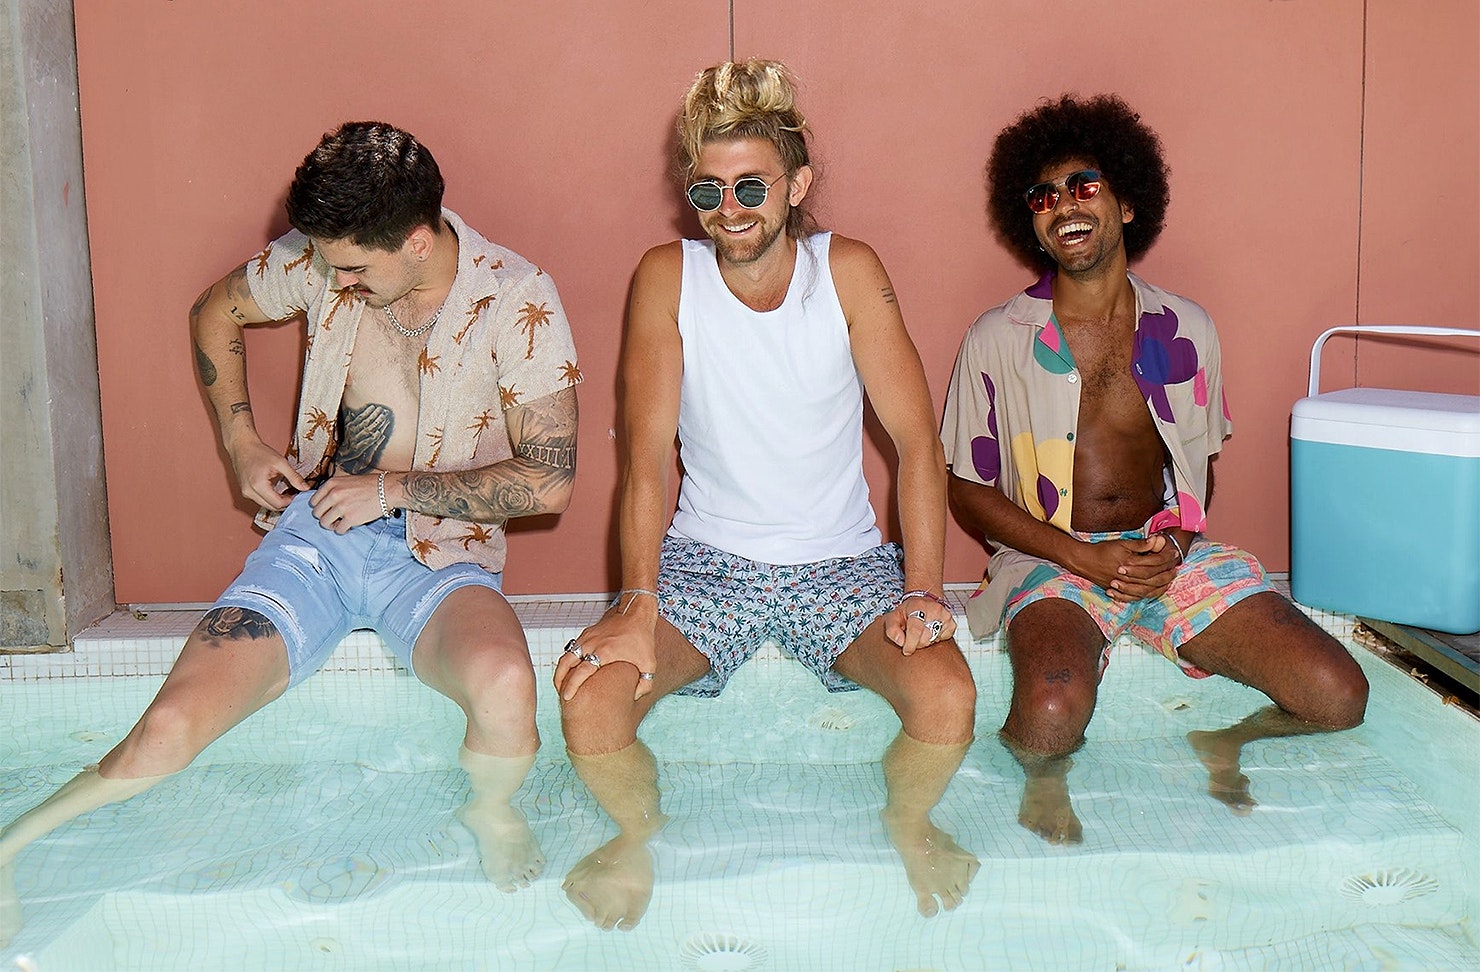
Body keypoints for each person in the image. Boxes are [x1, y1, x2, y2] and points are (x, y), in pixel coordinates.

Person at [0, 122, 580, 944]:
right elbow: (215, 312)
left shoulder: (518, 297)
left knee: (507, 689)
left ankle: (492, 814)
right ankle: (12, 848)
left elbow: (550, 478)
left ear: (416, 243)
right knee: (167, 729)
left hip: (441, 553)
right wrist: (241, 442)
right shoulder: (325, 260)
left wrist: (390, 489)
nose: (330, 280)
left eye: (351, 267)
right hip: (317, 542)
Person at [552, 59, 978, 930]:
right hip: (708, 561)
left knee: (949, 698)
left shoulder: (848, 270)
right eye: (707, 192)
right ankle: (639, 841)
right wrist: (637, 603)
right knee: (593, 706)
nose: (731, 210)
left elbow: (917, 443)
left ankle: (908, 823)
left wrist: (925, 591)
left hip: (844, 562)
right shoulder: (666, 277)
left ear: (798, 184)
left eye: (752, 185)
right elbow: (644, 460)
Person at [940, 95, 1369, 844]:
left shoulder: (1187, 329)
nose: (1063, 207)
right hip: (1053, 558)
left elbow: (1201, 469)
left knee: (1338, 695)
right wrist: (1079, 556)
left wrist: (1172, 546)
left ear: (1129, 201)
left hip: (1165, 554)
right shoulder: (997, 338)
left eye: (1085, 185)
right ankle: (1037, 794)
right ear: (1028, 220)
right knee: (1046, 721)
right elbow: (965, 489)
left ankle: (1226, 740)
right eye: (1043, 196)